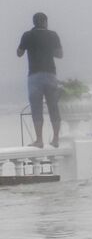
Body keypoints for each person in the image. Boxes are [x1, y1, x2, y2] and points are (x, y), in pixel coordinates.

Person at [17, 12, 63, 148]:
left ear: (34, 22)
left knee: (36, 108)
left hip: (34, 75)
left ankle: (39, 140)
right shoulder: (53, 35)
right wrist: (48, 50)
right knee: (53, 107)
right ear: (45, 22)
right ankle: (55, 139)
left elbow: (19, 53)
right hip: (50, 74)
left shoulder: (27, 35)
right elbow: (60, 54)